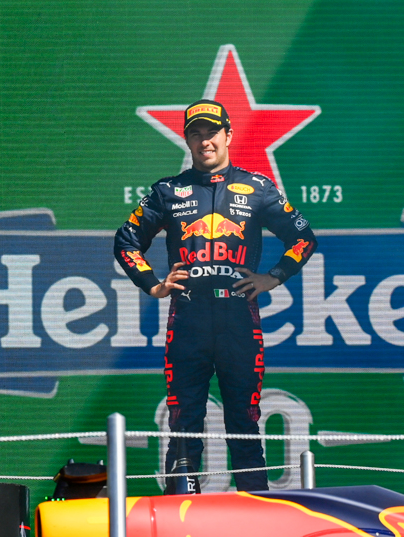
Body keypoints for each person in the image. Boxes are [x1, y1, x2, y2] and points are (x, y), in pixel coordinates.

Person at [114, 101, 318, 493]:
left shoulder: (257, 188)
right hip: (187, 319)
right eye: (196, 133)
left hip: (239, 321)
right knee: (184, 426)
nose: (204, 141)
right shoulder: (167, 191)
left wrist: (273, 277)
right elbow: (126, 241)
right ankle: (180, 514)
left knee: (244, 425)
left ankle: (255, 514)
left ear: (228, 135)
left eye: (212, 133)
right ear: (187, 139)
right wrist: (153, 285)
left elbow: (303, 238)